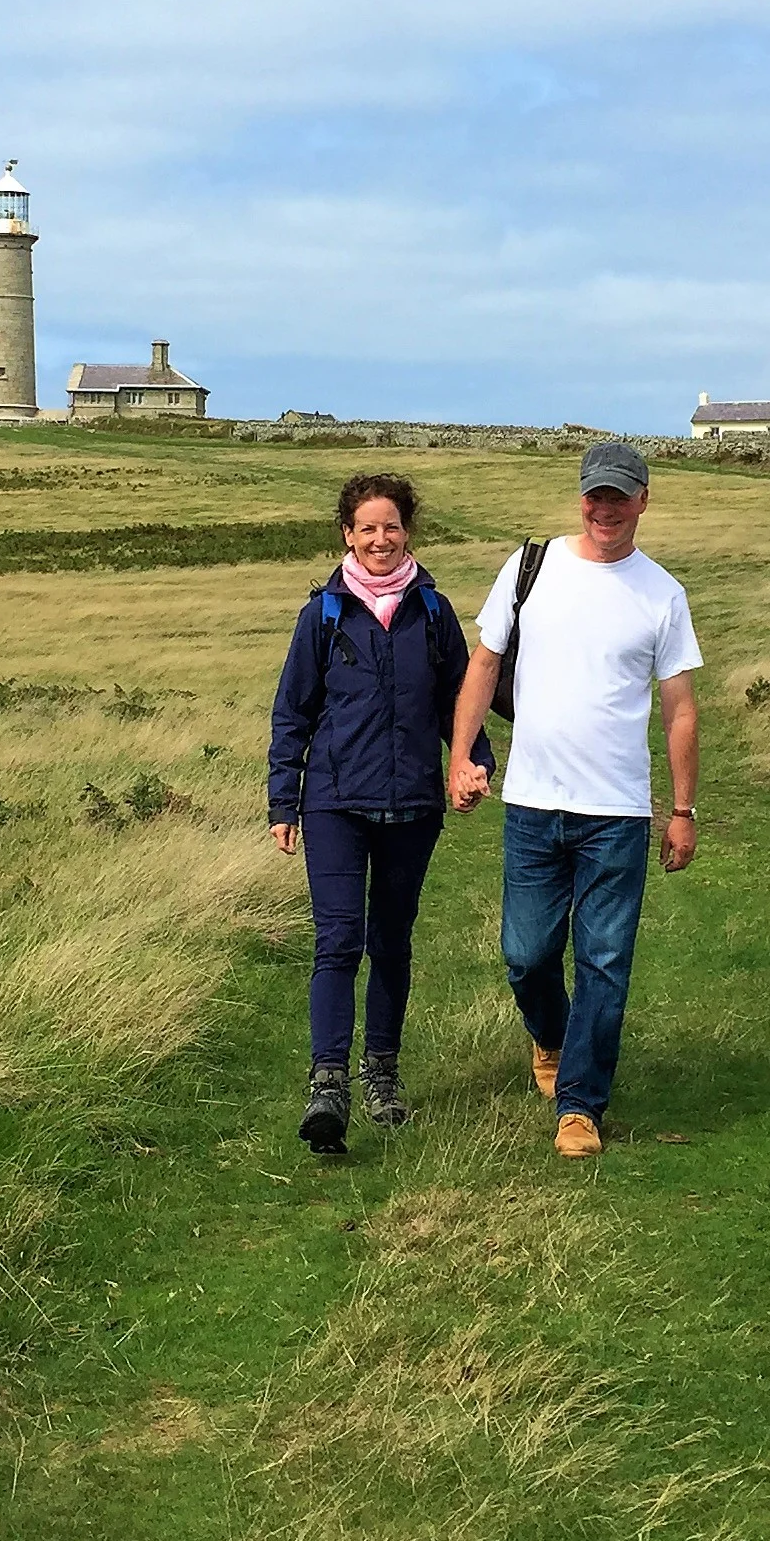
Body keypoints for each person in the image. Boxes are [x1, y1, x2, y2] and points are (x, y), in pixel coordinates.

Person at [448, 440, 701, 1157]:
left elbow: (681, 708)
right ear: (580, 497)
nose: (606, 510)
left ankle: (580, 1107)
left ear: (644, 501)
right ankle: (551, 1038)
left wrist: (681, 812)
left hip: (617, 814)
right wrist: (461, 757)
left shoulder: (663, 595)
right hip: (532, 803)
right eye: (596, 496)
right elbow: (485, 662)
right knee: (526, 955)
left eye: (620, 497)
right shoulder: (531, 569)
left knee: (604, 960)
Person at [269, 472, 493, 1156]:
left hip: (414, 805)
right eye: (366, 528)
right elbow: (293, 711)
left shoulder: (434, 612)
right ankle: (328, 1085)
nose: (380, 539)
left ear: (408, 533)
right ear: (347, 534)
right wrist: (284, 799)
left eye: (390, 526)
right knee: (338, 940)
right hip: (334, 802)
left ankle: (382, 1075)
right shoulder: (324, 615)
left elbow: (464, 699)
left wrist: (471, 761)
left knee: (391, 942)